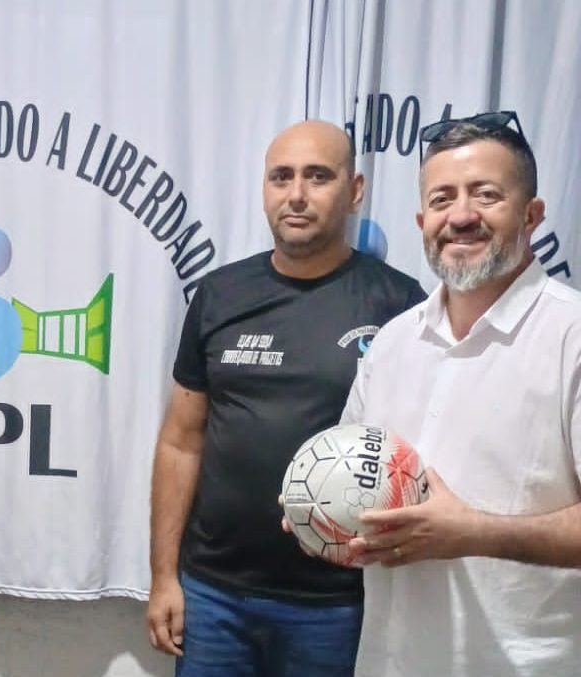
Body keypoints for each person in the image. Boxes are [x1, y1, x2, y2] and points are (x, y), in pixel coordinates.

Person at [146, 120, 426, 676]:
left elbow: (420, 455)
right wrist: (163, 577)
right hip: (213, 594)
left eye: (318, 176)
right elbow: (181, 441)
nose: (296, 194)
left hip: (336, 605)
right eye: (281, 177)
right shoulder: (220, 294)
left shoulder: (400, 306)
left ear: (355, 190)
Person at [340, 112, 581, 676]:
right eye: (442, 199)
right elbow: (354, 477)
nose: (462, 216)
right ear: (422, 221)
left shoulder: (571, 335)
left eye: (486, 195)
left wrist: (474, 533)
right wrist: (324, 517)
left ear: (532, 215)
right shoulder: (392, 342)